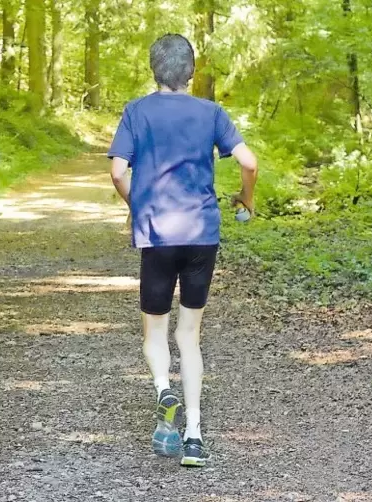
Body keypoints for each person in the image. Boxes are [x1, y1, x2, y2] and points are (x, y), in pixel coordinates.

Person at [107, 33, 258, 467]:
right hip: (201, 234)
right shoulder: (210, 112)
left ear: (154, 70)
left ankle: (162, 389)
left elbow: (118, 172)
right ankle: (193, 435)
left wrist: (139, 204)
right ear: (190, 72)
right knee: (189, 335)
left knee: (155, 331)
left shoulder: (137, 111)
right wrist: (247, 199)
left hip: (157, 235)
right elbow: (248, 162)